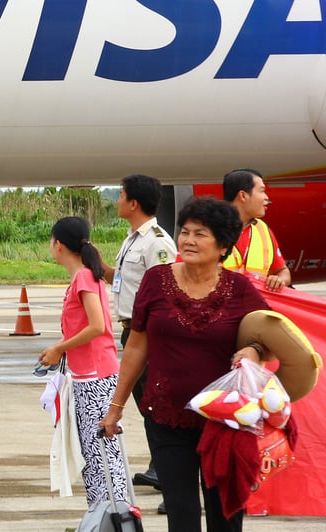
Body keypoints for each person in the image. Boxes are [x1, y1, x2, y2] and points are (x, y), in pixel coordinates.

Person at [98, 197, 270, 532]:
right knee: (181, 515)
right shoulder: (155, 280)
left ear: (222, 245)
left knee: (226, 518)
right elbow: (136, 347)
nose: (188, 240)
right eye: (185, 232)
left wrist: (253, 351)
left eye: (200, 234)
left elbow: (270, 338)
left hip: (226, 424)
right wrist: (116, 407)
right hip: (167, 417)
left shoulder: (240, 289)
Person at [38, 217, 129, 508]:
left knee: (102, 451)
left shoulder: (84, 278)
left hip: (95, 376)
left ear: (58, 244)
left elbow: (97, 325)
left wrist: (59, 348)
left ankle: (115, 514)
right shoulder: (86, 276)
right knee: (92, 452)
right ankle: (101, 513)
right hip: (86, 374)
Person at [102, 174, 176, 500]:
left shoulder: (157, 242)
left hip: (148, 336)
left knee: (157, 407)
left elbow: (167, 289)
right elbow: (124, 281)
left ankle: (168, 471)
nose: (117, 200)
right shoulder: (133, 239)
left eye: (120, 195)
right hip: (131, 331)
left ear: (133, 203)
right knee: (148, 407)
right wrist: (99, 266)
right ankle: (160, 465)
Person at [222, 168, 291, 291]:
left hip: (253, 307)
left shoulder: (263, 229)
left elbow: (282, 271)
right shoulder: (208, 228)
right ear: (243, 196)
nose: (266, 198)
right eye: (262, 191)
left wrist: (280, 280)